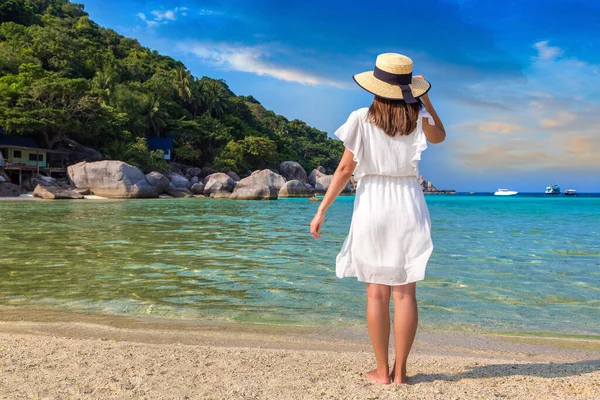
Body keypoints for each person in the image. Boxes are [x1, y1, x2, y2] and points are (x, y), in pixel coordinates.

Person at [309, 53, 446, 384]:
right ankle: (401, 373)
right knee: (405, 292)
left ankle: (382, 371)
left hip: (373, 203)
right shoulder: (418, 117)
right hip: (409, 202)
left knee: (377, 293)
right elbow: (440, 135)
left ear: (376, 86)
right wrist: (426, 99)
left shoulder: (360, 117)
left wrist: (322, 208)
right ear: (408, 88)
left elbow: (344, 169)